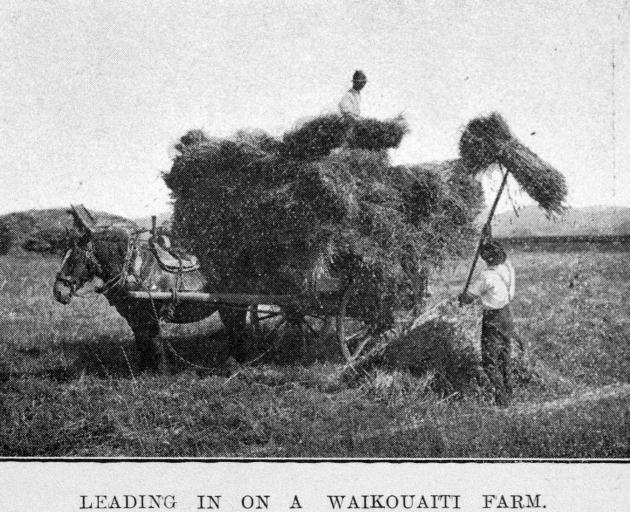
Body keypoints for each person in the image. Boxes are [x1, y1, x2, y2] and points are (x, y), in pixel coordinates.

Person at [459, 239, 515, 406]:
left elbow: (468, 297)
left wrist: (461, 298)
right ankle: (510, 393)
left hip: (493, 319)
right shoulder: (507, 268)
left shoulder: (486, 276)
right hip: (507, 315)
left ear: (485, 258)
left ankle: (502, 400)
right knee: (505, 357)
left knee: (489, 361)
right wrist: (487, 235)